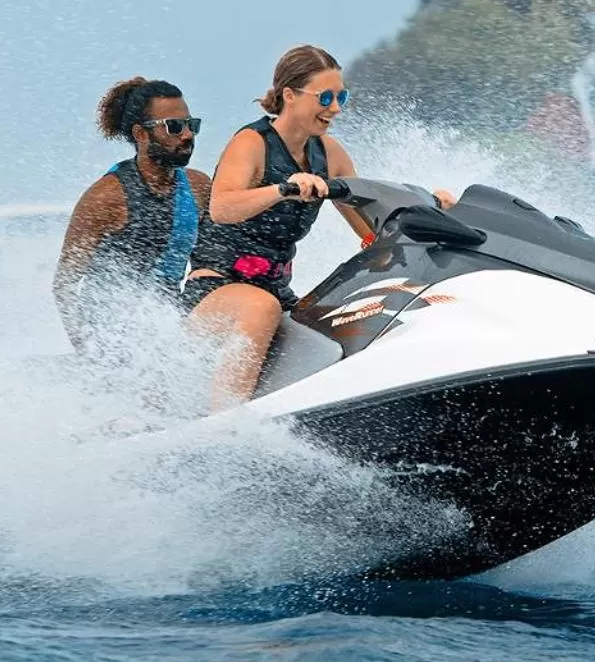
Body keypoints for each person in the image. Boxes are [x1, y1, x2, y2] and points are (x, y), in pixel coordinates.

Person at [185, 44, 450, 411]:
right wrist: (282, 189)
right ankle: (223, 424)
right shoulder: (252, 143)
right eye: (325, 96)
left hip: (278, 295)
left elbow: (371, 231)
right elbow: (222, 208)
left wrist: (432, 209)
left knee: (340, 327)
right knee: (262, 308)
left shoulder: (331, 155)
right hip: (214, 292)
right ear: (290, 95)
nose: (336, 108)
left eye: (342, 96)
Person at [53, 77, 212, 355]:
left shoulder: (198, 188)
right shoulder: (106, 198)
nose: (187, 135)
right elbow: (64, 285)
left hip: (169, 323)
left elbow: (214, 256)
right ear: (141, 134)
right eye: (174, 127)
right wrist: (89, 350)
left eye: (191, 125)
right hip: (113, 334)